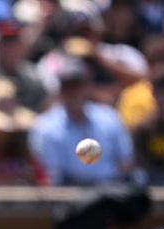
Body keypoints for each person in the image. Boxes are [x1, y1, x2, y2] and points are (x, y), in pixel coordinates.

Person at [29, 56, 134, 186]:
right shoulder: (45, 127)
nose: (75, 92)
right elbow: (52, 173)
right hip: (69, 195)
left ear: (88, 87)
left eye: (79, 86)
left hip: (110, 191)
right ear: (61, 90)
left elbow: (125, 160)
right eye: (69, 87)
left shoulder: (109, 118)